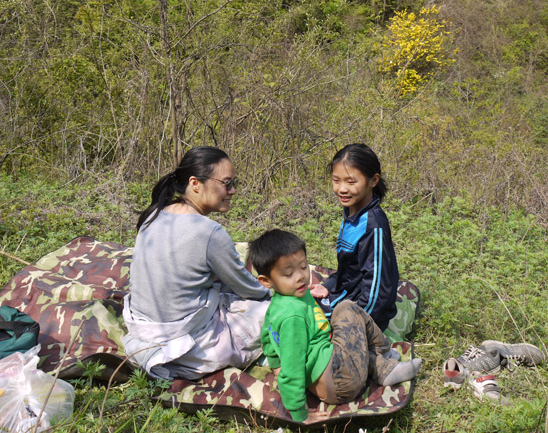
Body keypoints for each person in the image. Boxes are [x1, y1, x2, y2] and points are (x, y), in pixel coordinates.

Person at [122, 146, 270, 380]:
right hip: (185, 343)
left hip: (142, 332)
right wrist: (280, 293)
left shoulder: (154, 214)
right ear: (195, 183)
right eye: (227, 183)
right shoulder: (209, 232)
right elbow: (248, 289)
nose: (233, 190)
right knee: (275, 311)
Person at [249, 229, 421, 424]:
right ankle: (384, 357)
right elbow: (292, 369)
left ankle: (378, 363)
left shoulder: (279, 303)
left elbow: (268, 341)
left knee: (342, 316)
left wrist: (275, 367)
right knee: (347, 309)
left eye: (304, 267)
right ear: (266, 281)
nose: (300, 277)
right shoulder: (293, 317)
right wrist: (300, 414)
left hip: (331, 376)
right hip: (340, 381)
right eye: (288, 274)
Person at [309, 143, 399, 331]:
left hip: (362, 313)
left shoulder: (373, 226)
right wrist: (330, 285)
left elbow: (377, 290)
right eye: (336, 180)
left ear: (373, 180)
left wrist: (354, 327)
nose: (342, 189)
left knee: (304, 319)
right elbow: (350, 269)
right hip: (345, 296)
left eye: (351, 182)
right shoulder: (351, 213)